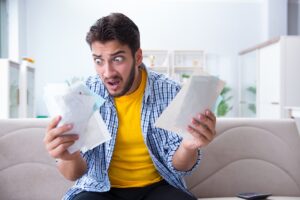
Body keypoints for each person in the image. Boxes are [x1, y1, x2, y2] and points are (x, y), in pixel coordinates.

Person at [43, 13, 216, 200]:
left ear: (138, 56)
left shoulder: (171, 91)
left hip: (158, 187)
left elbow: (180, 166)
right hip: (101, 189)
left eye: (117, 59)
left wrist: (188, 146)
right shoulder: (84, 95)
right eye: (98, 61)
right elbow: (74, 174)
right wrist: (68, 156)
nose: (108, 72)